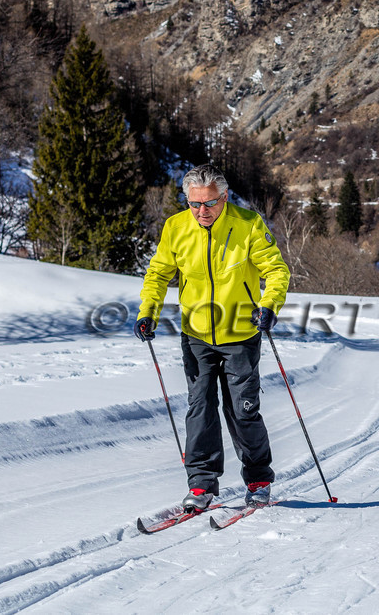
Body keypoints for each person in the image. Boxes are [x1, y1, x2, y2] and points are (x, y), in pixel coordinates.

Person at [135, 164, 290, 511]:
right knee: (200, 409)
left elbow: (276, 270)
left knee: (243, 410)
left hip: (240, 332)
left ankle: (259, 480)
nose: (201, 212)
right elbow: (158, 274)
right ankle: (202, 486)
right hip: (196, 335)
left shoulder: (248, 225)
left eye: (209, 203)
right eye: (194, 204)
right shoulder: (176, 227)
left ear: (225, 197)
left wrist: (269, 305)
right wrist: (148, 311)